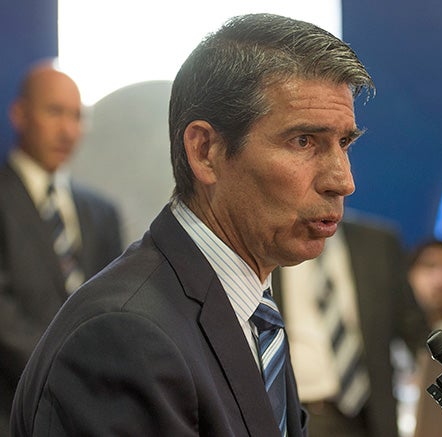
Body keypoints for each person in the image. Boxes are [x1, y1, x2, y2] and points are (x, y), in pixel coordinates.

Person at [11, 13, 374, 436]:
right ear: (205, 151)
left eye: (344, 142)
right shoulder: (125, 336)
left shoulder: (253, 310)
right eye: (303, 141)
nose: (343, 181)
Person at [0, 60, 123, 435]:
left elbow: (117, 306)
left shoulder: (101, 211)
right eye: (54, 112)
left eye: (77, 116)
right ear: (19, 114)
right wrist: (73, 377)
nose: (68, 130)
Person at [273, 211, 430, 437]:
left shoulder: (378, 242)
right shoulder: (269, 244)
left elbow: (415, 330)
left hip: (372, 415)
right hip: (300, 412)